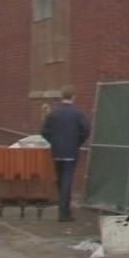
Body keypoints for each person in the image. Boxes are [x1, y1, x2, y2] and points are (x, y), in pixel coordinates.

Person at [40, 85, 91, 222]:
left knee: (60, 178)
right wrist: (77, 141)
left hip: (56, 150)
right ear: (73, 96)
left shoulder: (53, 113)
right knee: (67, 179)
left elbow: (44, 131)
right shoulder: (78, 113)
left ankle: (63, 207)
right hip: (71, 151)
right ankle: (64, 212)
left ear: (61, 96)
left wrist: (53, 141)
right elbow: (86, 130)